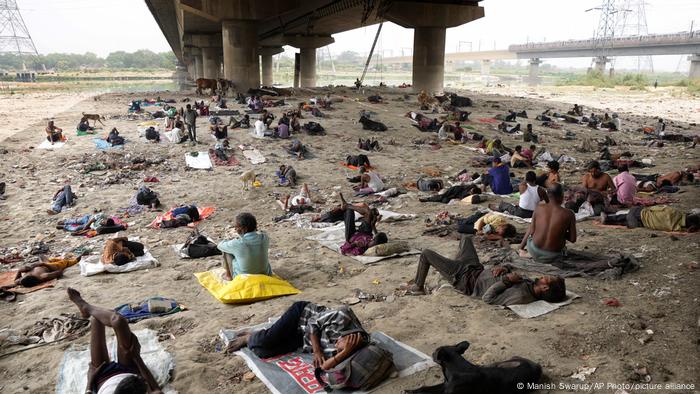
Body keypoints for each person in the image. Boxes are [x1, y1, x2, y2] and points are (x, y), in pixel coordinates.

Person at [405, 235, 566, 305]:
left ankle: (418, 287)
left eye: (548, 279)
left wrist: (505, 280)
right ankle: (450, 264)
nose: (544, 276)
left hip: (464, 279)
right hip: (475, 268)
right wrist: (504, 268)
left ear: (545, 288)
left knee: (426, 254)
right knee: (466, 239)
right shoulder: (531, 284)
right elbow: (511, 272)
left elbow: (488, 298)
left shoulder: (522, 296)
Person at [225, 301, 368, 372]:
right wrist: (317, 351)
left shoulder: (346, 350)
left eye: (340, 349)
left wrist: (344, 353)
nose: (335, 346)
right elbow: (313, 323)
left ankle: (258, 336)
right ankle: (249, 337)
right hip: (302, 316)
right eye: (339, 343)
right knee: (265, 340)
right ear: (349, 335)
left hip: (304, 339)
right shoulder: (344, 316)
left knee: (263, 352)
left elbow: (325, 367)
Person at [66, 288, 163, 394]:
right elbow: (156, 390)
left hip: (102, 377)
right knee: (118, 321)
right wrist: (136, 357)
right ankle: (86, 308)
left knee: (96, 320)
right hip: (129, 369)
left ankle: (86, 307)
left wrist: (90, 380)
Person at [519, 184, 577, 264]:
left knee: (532, 226)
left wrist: (521, 247)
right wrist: (560, 231)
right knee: (563, 249)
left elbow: (532, 231)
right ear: (561, 196)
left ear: (548, 195)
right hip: (553, 255)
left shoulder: (538, 208)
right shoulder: (569, 214)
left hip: (534, 250)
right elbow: (573, 239)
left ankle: (522, 250)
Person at [217, 213, 271, 281]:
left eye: (236, 227)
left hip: (245, 279)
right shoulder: (265, 237)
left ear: (244, 229)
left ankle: (229, 276)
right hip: (265, 274)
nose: (235, 229)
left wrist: (229, 240)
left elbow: (220, 245)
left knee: (226, 251)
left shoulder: (238, 243)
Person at [601, 206, 699, 232]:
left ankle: (609, 218)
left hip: (637, 214)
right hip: (638, 224)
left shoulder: (673, 212)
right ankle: (611, 220)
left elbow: (652, 209)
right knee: (626, 221)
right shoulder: (676, 228)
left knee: (634, 212)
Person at [9, 254, 80, 288]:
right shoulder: (43, 276)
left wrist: (19, 271)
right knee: (66, 262)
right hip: (49, 266)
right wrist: (44, 264)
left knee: (41, 256)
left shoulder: (22, 280)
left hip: (42, 264)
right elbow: (59, 272)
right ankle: (77, 259)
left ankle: (47, 261)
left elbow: (15, 281)